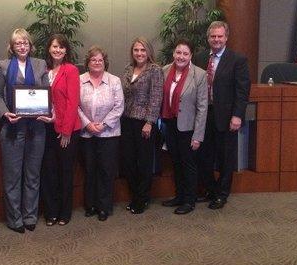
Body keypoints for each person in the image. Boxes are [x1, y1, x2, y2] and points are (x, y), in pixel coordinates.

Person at [0, 28, 48, 234]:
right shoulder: (4, 66)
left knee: (33, 175)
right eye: (18, 44)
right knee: (12, 177)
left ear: (30, 45)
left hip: (37, 128)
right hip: (13, 128)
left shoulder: (40, 64)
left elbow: (46, 93)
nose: (22, 47)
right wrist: (5, 113)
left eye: (25, 43)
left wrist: (48, 112)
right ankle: (15, 218)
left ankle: (30, 216)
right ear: (12, 47)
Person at [194, 21, 250, 209]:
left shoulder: (237, 60)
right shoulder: (199, 58)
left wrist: (237, 115)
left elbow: (242, 91)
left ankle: (222, 194)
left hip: (226, 117)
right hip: (203, 115)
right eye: (213, 36)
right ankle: (210, 189)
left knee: (226, 157)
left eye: (220, 36)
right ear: (208, 38)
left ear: (226, 37)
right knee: (204, 156)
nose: (216, 39)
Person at [160, 39, 208, 215]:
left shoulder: (200, 75)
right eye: (178, 52)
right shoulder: (164, 71)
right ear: (173, 53)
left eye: (185, 53)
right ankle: (179, 196)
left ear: (191, 56)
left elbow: (202, 108)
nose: (181, 56)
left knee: (188, 164)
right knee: (176, 162)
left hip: (188, 128)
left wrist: (198, 136)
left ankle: (189, 200)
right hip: (170, 124)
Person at [78, 46, 124, 222]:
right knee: (90, 170)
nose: (97, 63)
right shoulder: (79, 80)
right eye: (93, 60)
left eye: (100, 60)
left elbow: (119, 106)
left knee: (106, 170)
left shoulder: (114, 81)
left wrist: (103, 125)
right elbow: (75, 105)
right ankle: (90, 205)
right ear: (87, 63)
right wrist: (88, 124)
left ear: (105, 63)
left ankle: (104, 207)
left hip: (109, 134)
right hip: (87, 133)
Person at [40, 34, 81, 226]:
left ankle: (65, 212)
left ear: (66, 51)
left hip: (67, 130)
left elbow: (73, 102)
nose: (58, 50)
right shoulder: (43, 69)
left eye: (61, 47)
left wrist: (66, 131)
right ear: (49, 48)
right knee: (49, 172)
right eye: (54, 46)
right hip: (45, 127)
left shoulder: (71, 70)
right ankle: (51, 212)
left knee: (65, 172)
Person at [121, 37, 164, 214]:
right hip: (126, 121)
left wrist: (149, 122)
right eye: (136, 50)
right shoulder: (128, 69)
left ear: (149, 52)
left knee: (144, 163)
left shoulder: (155, 70)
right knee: (129, 161)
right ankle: (135, 195)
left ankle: (142, 198)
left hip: (144, 123)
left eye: (143, 50)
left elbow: (156, 97)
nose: (139, 53)